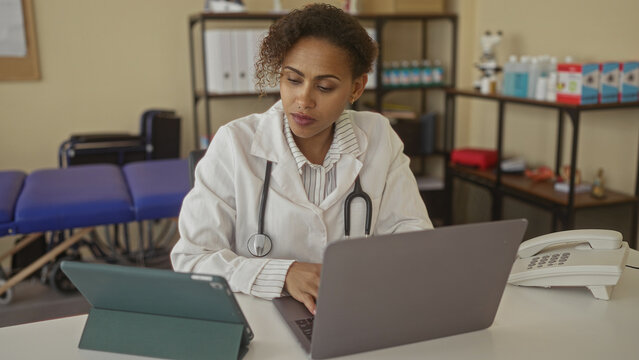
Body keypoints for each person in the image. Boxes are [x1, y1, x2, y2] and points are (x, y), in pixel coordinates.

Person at [171, 3, 432, 314]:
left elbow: (413, 235)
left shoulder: (378, 137)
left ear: (357, 87)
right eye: (293, 80)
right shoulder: (234, 144)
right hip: (261, 318)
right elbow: (192, 258)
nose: (303, 100)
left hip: (355, 311)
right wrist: (283, 274)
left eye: (325, 87)